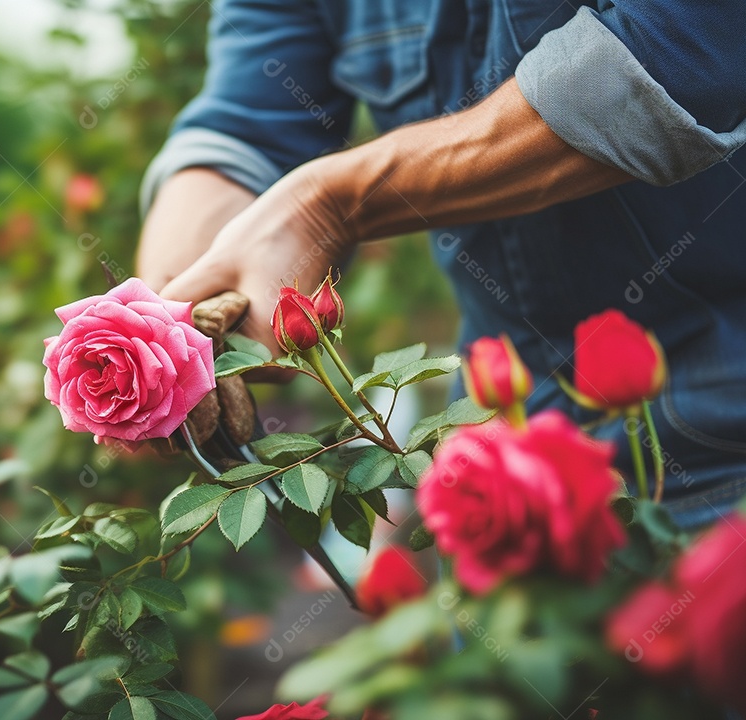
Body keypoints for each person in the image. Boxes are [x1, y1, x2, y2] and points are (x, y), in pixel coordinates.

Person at [135, 0, 746, 530]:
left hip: (719, 428)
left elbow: (690, 47)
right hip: (496, 449)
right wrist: (153, 327)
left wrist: (331, 204)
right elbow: (247, 129)